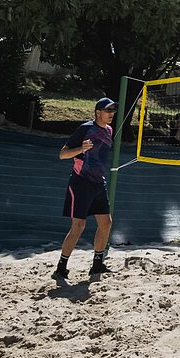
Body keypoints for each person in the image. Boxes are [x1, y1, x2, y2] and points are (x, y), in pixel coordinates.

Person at [53, 97, 119, 280]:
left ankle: (97, 266)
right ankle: (61, 268)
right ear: (98, 112)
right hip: (81, 182)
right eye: (108, 111)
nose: (111, 114)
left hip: (98, 182)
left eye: (113, 111)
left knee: (106, 223)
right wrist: (80, 149)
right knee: (78, 226)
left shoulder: (109, 130)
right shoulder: (85, 128)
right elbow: (62, 154)